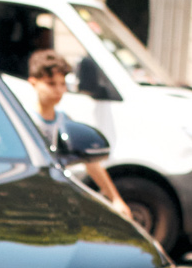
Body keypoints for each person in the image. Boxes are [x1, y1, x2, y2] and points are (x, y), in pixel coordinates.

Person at [23, 48, 125, 211]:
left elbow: (90, 162)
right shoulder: (25, 120)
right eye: (51, 84)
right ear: (33, 82)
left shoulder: (65, 120)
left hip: (56, 196)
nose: (58, 90)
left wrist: (115, 199)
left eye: (62, 84)